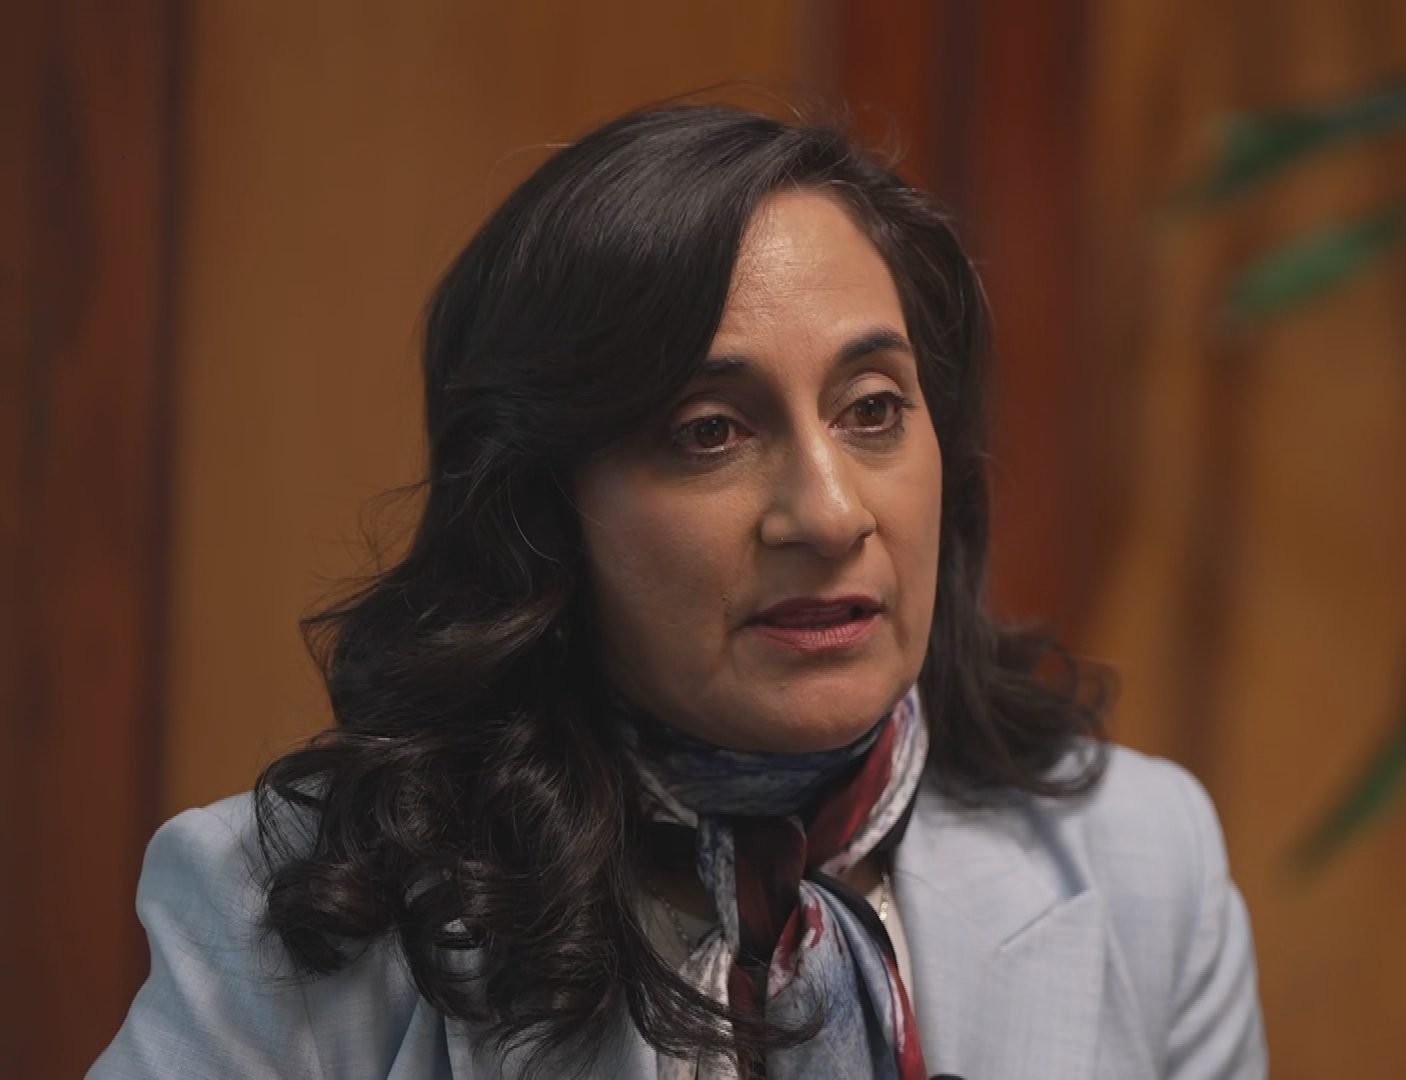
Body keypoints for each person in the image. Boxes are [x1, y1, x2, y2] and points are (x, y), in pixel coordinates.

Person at [90, 104, 1266, 1080]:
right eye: (709, 431)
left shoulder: (1140, 861)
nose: (830, 514)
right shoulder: (285, 909)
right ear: (548, 506)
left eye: (873, 410)